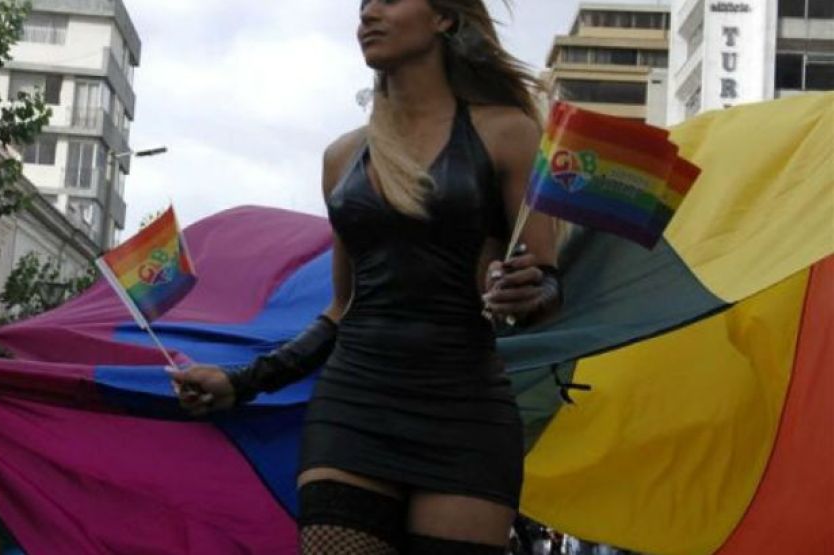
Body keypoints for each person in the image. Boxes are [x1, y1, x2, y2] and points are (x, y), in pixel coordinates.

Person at [176, 1, 560, 553]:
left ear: (444, 19)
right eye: (362, 4)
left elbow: (547, 284)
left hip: (466, 413)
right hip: (354, 406)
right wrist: (242, 381)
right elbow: (342, 308)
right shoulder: (343, 157)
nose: (368, 13)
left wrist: (531, 290)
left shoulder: (509, 133)